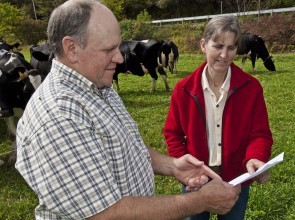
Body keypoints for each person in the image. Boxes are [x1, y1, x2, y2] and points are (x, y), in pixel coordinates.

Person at [15, 1, 241, 219]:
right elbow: (106, 213)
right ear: (72, 48)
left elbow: (124, 147)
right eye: (109, 49)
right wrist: (200, 201)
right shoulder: (59, 116)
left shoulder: (98, 84)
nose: (120, 57)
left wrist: (171, 165)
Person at [164, 15, 273, 220]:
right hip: (196, 180)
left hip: (236, 178)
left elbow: (259, 134)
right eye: (218, 46)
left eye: (231, 48)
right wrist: (189, 170)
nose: (224, 54)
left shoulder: (251, 88)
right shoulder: (183, 89)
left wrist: (255, 157)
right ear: (204, 45)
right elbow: (172, 133)